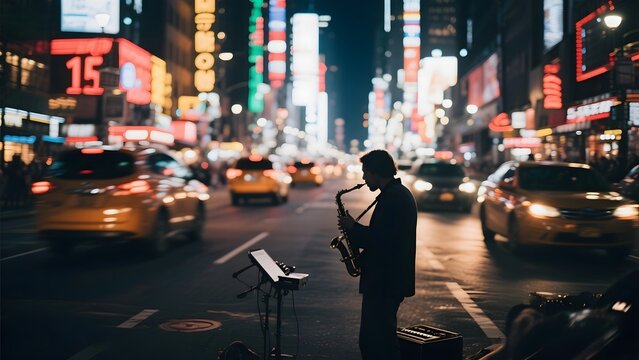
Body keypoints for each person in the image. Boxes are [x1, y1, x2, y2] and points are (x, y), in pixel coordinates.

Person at [337, 149, 417, 360]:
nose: (363, 178)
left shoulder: (393, 198)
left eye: (366, 172)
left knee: (376, 342)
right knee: (380, 339)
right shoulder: (396, 194)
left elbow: (380, 240)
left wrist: (353, 228)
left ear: (376, 172)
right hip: (387, 280)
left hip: (384, 282)